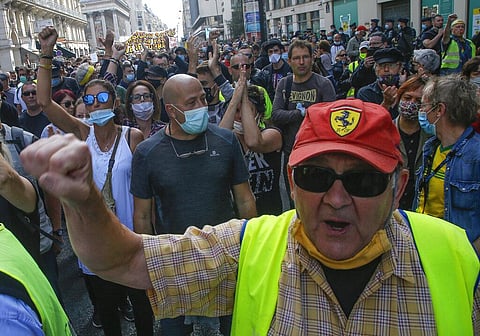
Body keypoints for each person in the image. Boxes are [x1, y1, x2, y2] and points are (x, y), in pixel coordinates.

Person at [21, 98, 480, 335]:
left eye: (363, 182)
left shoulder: (456, 258)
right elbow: (121, 261)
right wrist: (83, 200)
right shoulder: (251, 249)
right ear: (292, 182)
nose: (337, 199)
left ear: (398, 188)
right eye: (317, 177)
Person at [37, 26, 152, 335]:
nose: (96, 104)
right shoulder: (81, 134)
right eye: (90, 100)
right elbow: (46, 103)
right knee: (109, 316)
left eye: (102, 98)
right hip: (96, 243)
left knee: (143, 311)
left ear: (115, 102)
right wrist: (46, 53)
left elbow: (146, 192)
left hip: (132, 239)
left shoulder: (134, 137)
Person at [130, 73, 256, 334]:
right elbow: (142, 216)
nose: (201, 106)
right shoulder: (147, 153)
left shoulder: (226, 140)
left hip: (227, 256)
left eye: (203, 98)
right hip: (175, 260)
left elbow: (244, 198)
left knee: (237, 327)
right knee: (174, 330)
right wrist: (149, 264)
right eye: (191, 102)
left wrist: (253, 249)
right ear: (171, 110)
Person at [413, 75, 480, 245]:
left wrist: (469, 255)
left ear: (439, 110)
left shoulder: (476, 155)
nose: (421, 110)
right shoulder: (431, 147)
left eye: (424, 105)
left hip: (458, 258)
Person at [219, 66, 283, 215]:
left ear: (259, 113)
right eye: (236, 111)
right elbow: (220, 140)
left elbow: (254, 142)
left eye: (247, 110)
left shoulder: (273, 134)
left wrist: (244, 98)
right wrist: (235, 100)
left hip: (269, 215)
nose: (240, 116)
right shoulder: (230, 139)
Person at [393, 76, 431, 210]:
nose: (411, 103)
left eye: (418, 100)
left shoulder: (433, 137)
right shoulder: (387, 132)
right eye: (407, 98)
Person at [357, 47, 404, 118]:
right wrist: (386, 103)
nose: (386, 69)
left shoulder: (408, 90)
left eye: (391, 65)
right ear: (375, 69)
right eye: (381, 66)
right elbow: (370, 121)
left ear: (400, 68)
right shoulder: (366, 93)